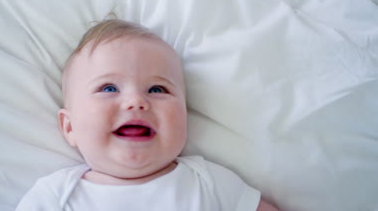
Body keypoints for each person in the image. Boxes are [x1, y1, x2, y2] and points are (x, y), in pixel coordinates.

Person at [16, 19, 279, 211]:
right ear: (69, 127)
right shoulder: (56, 195)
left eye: (157, 89)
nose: (136, 101)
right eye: (109, 88)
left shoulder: (208, 182)